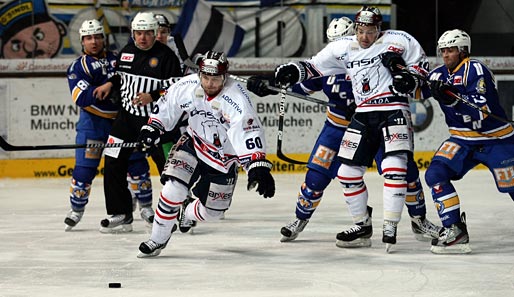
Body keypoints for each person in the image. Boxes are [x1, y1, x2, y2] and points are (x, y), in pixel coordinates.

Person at [248, 17, 440, 246]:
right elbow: (300, 81)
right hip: (336, 129)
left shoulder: (378, 56)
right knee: (316, 176)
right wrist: (268, 85)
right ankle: (302, 219)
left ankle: (419, 220)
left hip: (375, 125)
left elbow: (415, 85)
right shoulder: (331, 63)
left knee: (404, 172)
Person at [136, 51, 276, 258]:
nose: (210, 83)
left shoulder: (235, 98)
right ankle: (157, 239)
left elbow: (248, 130)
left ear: (225, 76)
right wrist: (152, 128)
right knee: (172, 190)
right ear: (200, 74)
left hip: (223, 160)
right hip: (194, 144)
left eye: (216, 78)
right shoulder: (187, 85)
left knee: (213, 213)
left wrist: (256, 165)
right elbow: (167, 107)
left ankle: (188, 212)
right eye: (206, 78)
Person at [425, 29, 514, 254]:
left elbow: (481, 110)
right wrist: (402, 78)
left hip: (496, 139)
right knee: (435, 174)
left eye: (451, 50)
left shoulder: (475, 69)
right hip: (462, 140)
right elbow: (418, 91)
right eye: (443, 50)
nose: (445, 55)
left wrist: (452, 97)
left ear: (463, 51)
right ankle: (454, 229)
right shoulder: (437, 75)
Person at [93, 11, 183, 233]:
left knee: (169, 168)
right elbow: (120, 74)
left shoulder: (167, 56)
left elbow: (177, 87)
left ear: (154, 33)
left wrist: (151, 96)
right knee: (113, 160)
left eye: (147, 33)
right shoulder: (127, 52)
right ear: (133, 33)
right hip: (126, 119)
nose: (143, 38)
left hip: (156, 121)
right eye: (139, 33)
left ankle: (178, 213)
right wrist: (109, 84)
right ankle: (121, 213)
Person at [63, 19, 118, 231]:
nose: (93, 41)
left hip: (121, 126)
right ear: (82, 41)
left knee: (135, 166)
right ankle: (76, 210)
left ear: (103, 38)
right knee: (84, 170)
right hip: (92, 127)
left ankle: (144, 207)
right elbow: (83, 98)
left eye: (97, 36)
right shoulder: (77, 66)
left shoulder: (119, 59)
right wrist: (113, 91)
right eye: (88, 38)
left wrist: (109, 85)